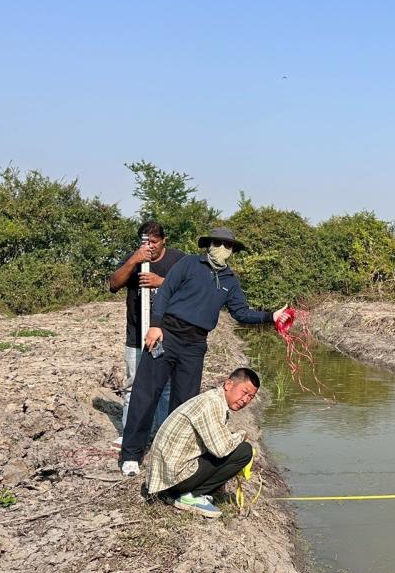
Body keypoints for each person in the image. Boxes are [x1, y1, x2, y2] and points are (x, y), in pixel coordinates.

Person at [118, 226, 287, 476]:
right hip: (168, 334)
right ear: (209, 245)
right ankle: (131, 454)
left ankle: (172, 454)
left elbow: (241, 313)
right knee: (146, 393)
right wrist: (155, 326)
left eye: (228, 246)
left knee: (184, 402)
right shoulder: (189, 264)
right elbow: (164, 293)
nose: (223, 249)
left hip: (195, 344)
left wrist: (271, 316)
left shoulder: (230, 281)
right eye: (218, 243)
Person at [107, 221, 184, 447]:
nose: (150, 246)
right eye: (145, 242)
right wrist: (134, 260)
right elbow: (113, 284)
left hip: (166, 334)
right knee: (133, 384)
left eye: (154, 242)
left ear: (163, 240)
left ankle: (162, 434)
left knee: (165, 386)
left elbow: (191, 290)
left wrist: (161, 282)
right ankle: (131, 431)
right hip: (136, 334)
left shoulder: (178, 261)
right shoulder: (134, 259)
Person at [144, 367, 260, 518]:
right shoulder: (211, 404)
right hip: (172, 478)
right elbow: (221, 450)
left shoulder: (214, 399)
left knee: (233, 446)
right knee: (244, 451)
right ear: (228, 385)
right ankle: (188, 496)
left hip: (166, 475)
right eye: (244, 393)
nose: (245, 400)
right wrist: (242, 435)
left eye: (251, 397)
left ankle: (185, 491)